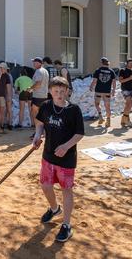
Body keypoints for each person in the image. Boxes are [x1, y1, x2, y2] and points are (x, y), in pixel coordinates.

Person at [32, 76, 84, 243]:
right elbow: (40, 123)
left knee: (66, 190)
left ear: (67, 91)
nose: (60, 95)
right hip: (48, 155)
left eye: (63, 91)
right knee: (45, 186)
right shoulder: (46, 106)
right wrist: (37, 136)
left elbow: (79, 133)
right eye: (56, 91)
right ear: (50, 92)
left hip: (66, 159)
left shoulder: (74, 110)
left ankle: (66, 225)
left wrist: (66, 146)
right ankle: (54, 209)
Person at [89, 57, 117, 128]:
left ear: (101, 63)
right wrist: (113, 90)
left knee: (97, 104)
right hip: (107, 91)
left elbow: (95, 81)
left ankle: (100, 116)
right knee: (107, 107)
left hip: (98, 91)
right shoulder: (111, 71)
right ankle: (108, 121)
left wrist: (91, 86)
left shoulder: (98, 71)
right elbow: (114, 82)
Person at [30, 57, 50, 135]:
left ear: (39, 63)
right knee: (42, 114)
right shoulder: (45, 71)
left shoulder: (38, 71)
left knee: (35, 114)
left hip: (38, 95)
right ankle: (44, 131)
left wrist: (30, 89)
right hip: (44, 95)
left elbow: (38, 83)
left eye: (34, 62)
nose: (33, 64)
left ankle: (38, 132)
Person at [118, 59, 132, 128]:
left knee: (128, 105)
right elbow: (120, 81)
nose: (131, 64)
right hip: (125, 89)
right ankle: (126, 120)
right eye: (129, 63)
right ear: (126, 64)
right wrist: (129, 78)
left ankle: (123, 119)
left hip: (131, 89)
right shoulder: (122, 70)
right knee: (129, 104)